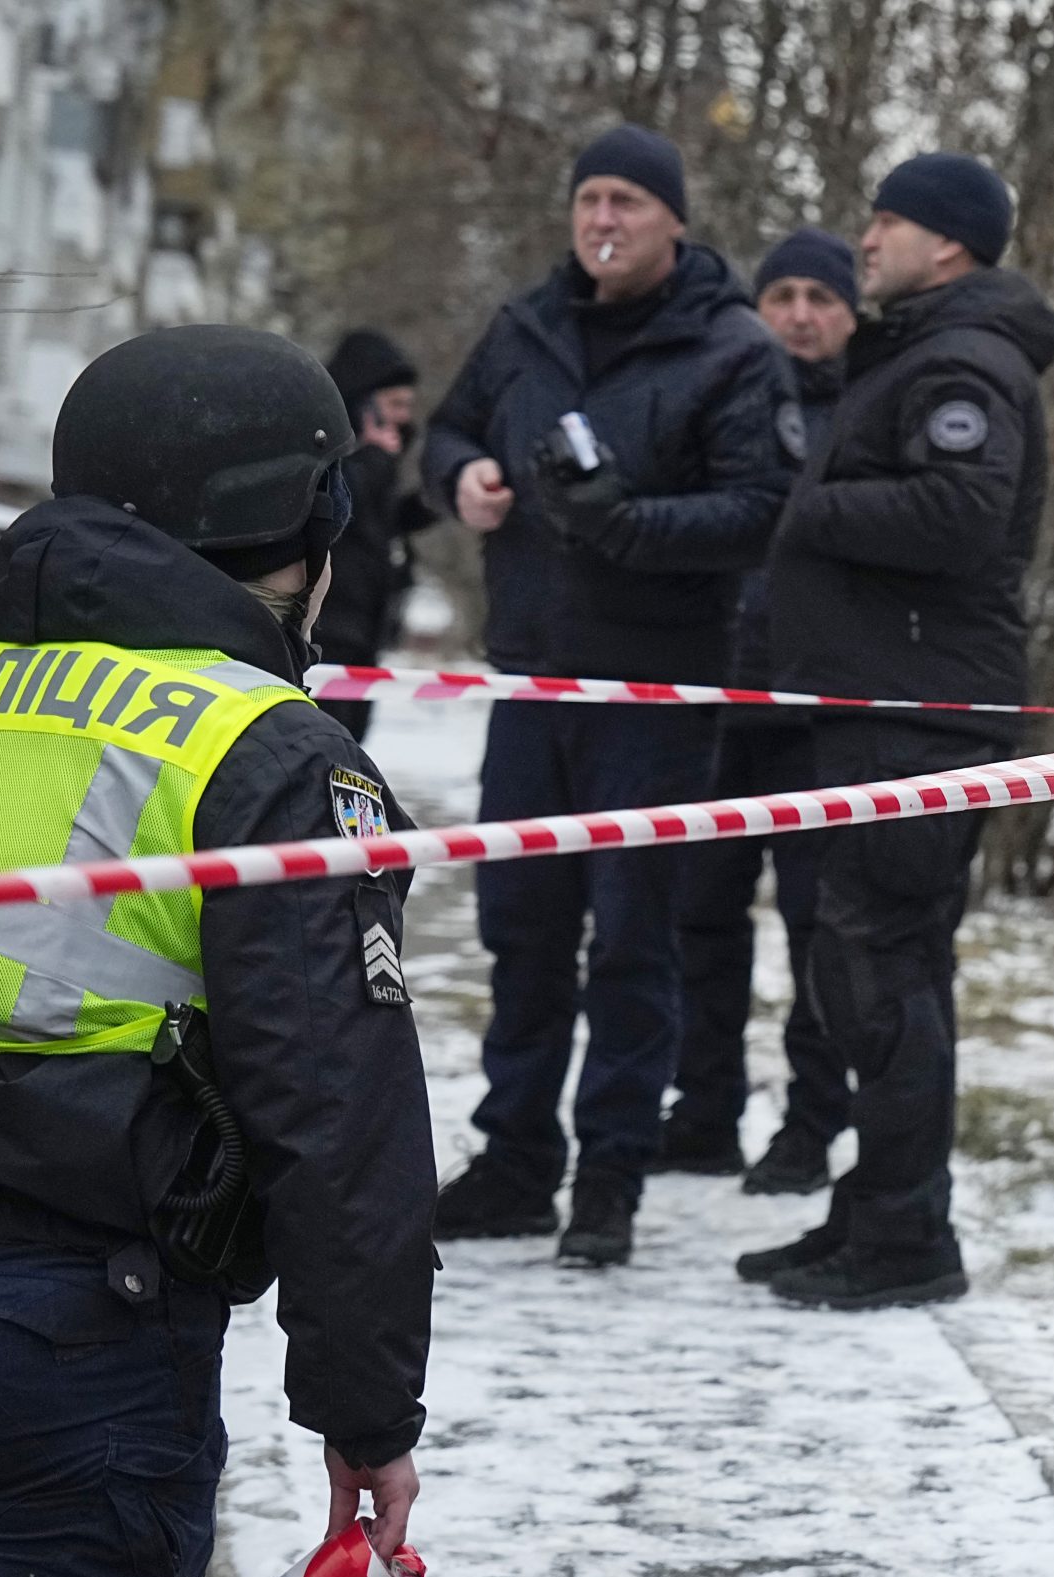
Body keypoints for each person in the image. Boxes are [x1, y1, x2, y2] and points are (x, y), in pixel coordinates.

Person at [0, 325, 434, 1577]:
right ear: (298, 523)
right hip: (74, 1348)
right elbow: (339, 1110)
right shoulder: (264, 745)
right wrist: (365, 1411)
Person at [422, 123, 799, 1266]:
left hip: (654, 693)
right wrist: (464, 479)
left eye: (627, 202)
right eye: (589, 199)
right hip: (531, 680)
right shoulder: (524, 326)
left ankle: (611, 1180)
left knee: (634, 940)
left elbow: (758, 510)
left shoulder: (732, 349)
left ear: (673, 220)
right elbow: (445, 428)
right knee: (521, 932)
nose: (603, 221)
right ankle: (516, 1161)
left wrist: (628, 527)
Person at [736, 153, 1054, 1310]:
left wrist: (810, 508)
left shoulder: (963, 360)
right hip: (885, 705)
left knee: (884, 972)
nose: (863, 241)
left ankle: (907, 1242)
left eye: (887, 223)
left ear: (951, 247)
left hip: (919, 715)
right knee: (870, 965)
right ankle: (879, 1211)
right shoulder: (925, 349)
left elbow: (962, 512)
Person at [656, 229, 861, 1189]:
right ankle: (702, 1110)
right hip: (711, 700)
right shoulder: (723, 395)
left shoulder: (868, 412)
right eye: (781, 295)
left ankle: (812, 1125)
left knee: (818, 929)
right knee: (698, 917)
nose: (800, 315)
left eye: (822, 297)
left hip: (819, 713)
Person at [316, 328, 438, 742]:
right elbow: (337, 510)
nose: (404, 416)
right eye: (394, 404)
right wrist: (375, 460)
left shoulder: (377, 462)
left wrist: (431, 502)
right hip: (326, 633)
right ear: (362, 403)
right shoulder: (328, 455)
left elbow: (377, 526)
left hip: (365, 632)